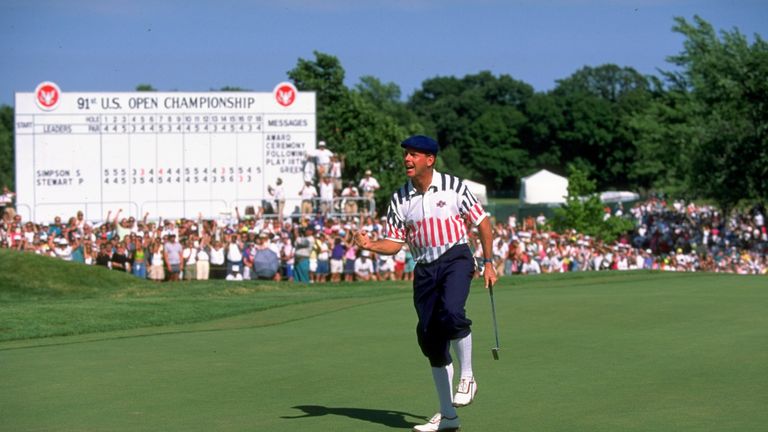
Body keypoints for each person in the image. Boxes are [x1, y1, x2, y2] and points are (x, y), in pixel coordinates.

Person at [353, 135, 496, 432]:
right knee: (430, 339)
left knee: (453, 312)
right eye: (406, 154)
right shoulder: (399, 198)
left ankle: (467, 377)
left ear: (429, 160)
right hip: (424, 269)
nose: (407, 159)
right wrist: (369, 245)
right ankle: (448, 416)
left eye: (413, 155)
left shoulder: (454, 187)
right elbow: (394, 244)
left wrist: (489, 262)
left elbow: (482, 222)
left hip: (456, 256)